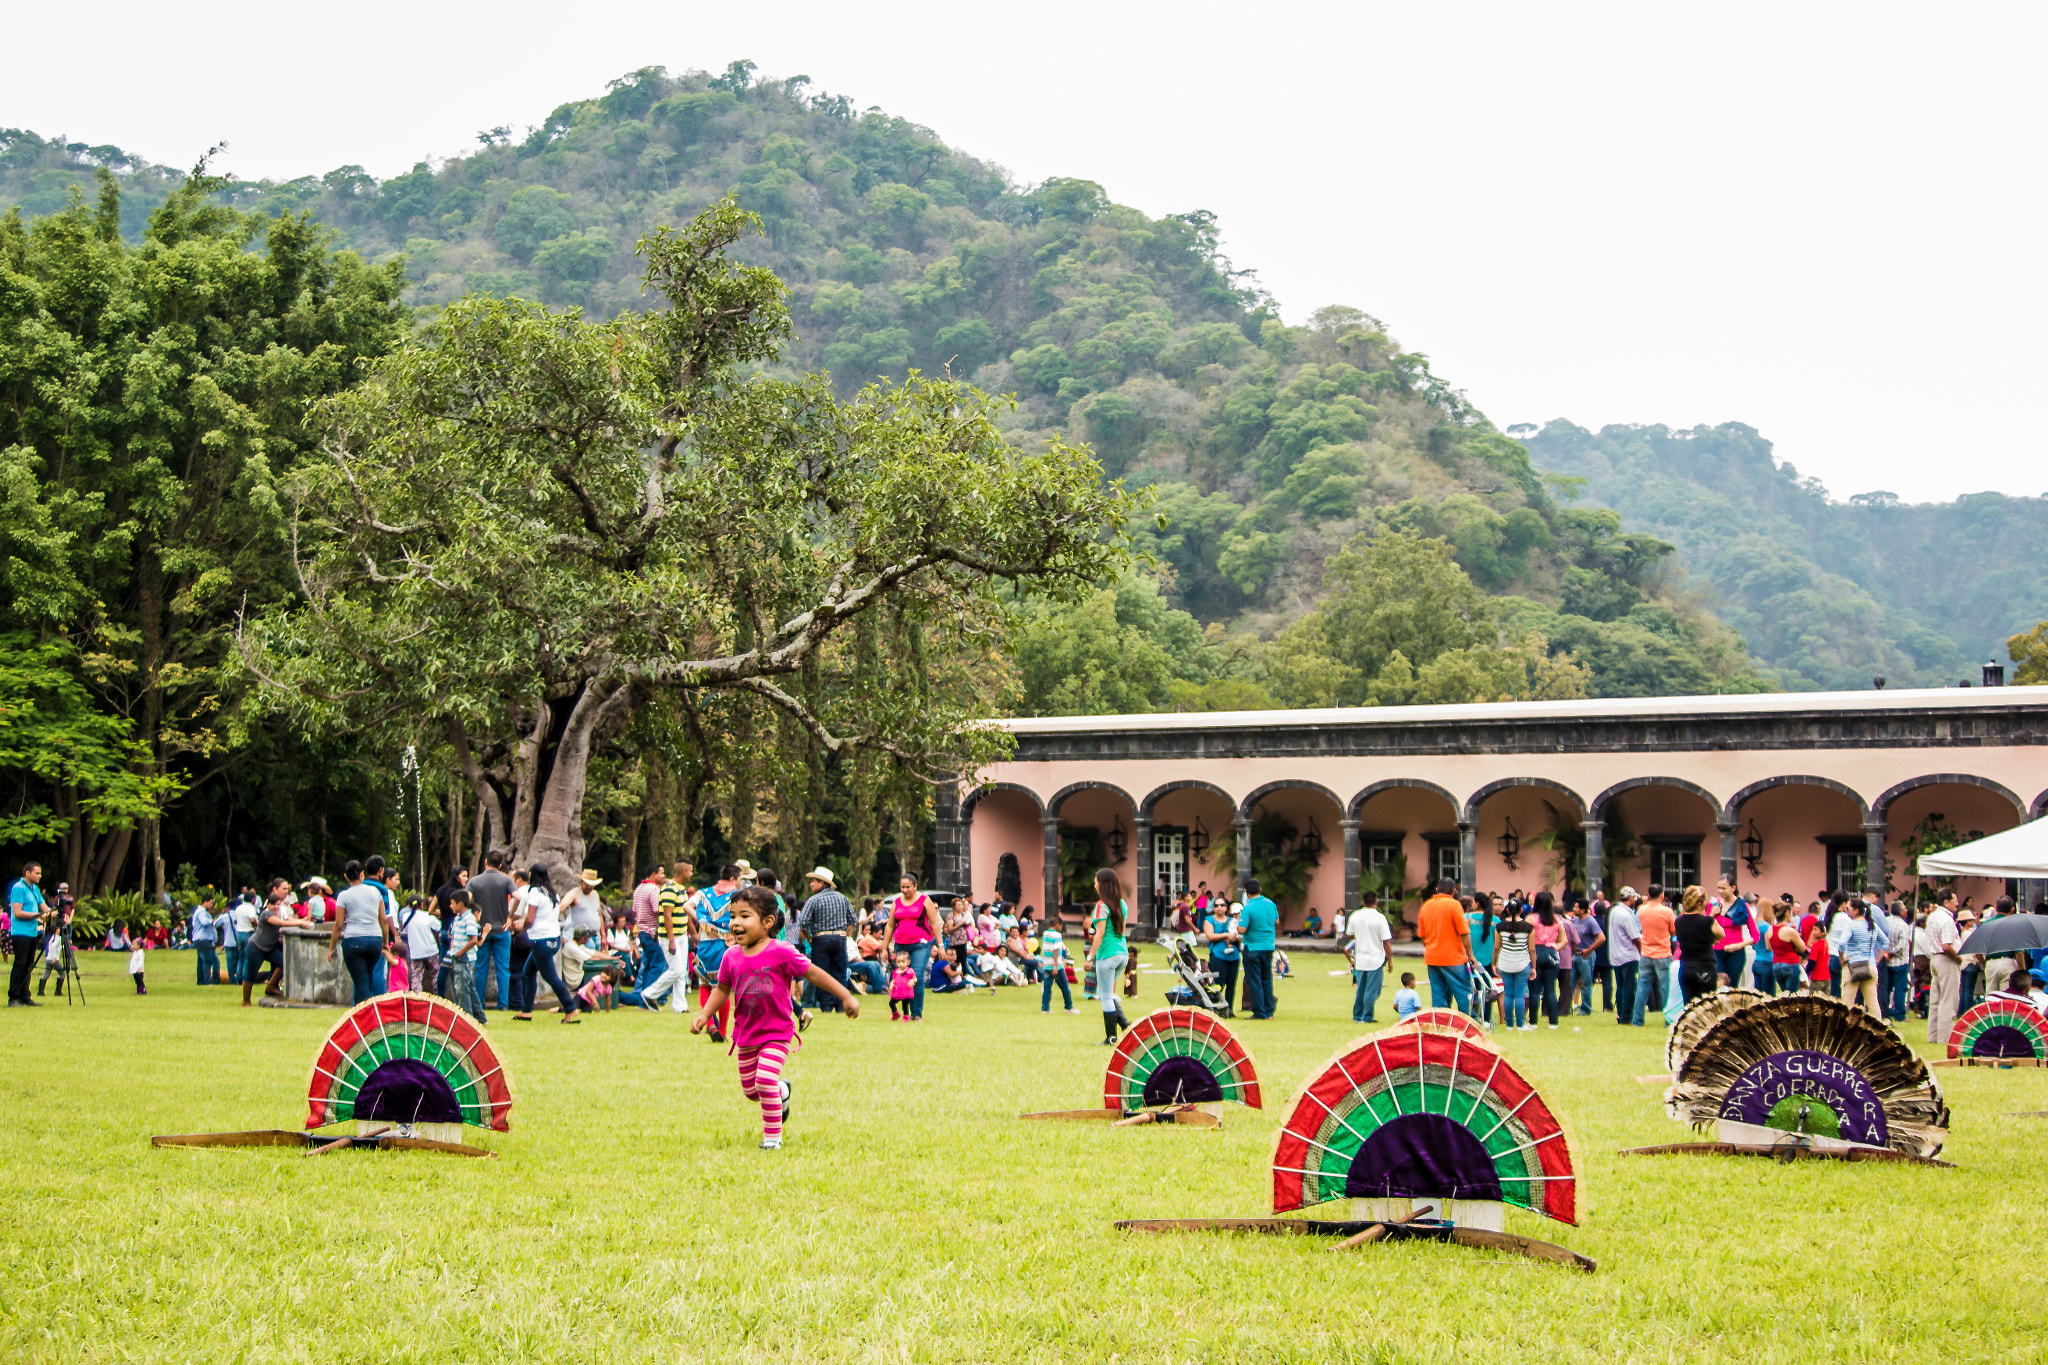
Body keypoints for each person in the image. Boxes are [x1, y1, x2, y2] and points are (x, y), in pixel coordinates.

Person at [691, 886, 860, 1150]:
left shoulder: (782, 951)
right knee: (752, 1091)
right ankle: (782, 1091)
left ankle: (772, 1138)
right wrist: (704, 1015)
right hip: (746, 1036)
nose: (735, 922)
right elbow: (722, 989)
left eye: (744, 916)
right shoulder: (731, 956)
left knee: (764, 1080)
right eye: (733, 916)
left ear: (768, 922)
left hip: (777, 1033)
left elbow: (814, 973)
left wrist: (846, 996)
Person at [512, 863, 580, 1023]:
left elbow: (530, 918)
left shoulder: (535, 892)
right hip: (554, 938)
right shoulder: (552, 893)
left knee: (550, 977)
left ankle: (570, 1009)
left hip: (540, 940)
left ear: (531, 875)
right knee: (528, 972)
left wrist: (521, 927)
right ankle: (526, 1011)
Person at [326, 861, 392, 1005]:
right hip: (374, 939)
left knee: (360, 981)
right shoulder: (375, 892)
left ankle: (364, 1015)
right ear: (362, 874)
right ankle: (367, 1010)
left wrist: (331, 948)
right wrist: (385, 942)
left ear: (346, 876)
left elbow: (338, 925)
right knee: (367, 977)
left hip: (354, 941)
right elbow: (383, 919)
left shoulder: (344, 896)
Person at [796, 867, 857, 1013]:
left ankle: (826, 1006)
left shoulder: (813, 900)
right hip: (840, 939)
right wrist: (845, 935)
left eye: (813, 881)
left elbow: (803, 922)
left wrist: (809, 938)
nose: (811, 884)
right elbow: (852, 920)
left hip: (821, 939)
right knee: (840, 972)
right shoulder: (843, 898)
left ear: (822, 883)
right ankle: (841, 1005)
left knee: (822, 973)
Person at [884, 873, 942, 1023]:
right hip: (901, 944)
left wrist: (940, 945)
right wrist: (884, 947)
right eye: (902, 887)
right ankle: (905, 1012)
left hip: (921, 944)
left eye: (907, 887)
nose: (904, 890)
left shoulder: (924, 900)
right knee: (900, 976)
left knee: (916, 975)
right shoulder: (896, 902)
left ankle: (917, 1014)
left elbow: (934, 923)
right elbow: (890, 926)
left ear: (915, 886)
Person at [693, 865, 742, 1038]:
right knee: (722, 987)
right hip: (724, 944)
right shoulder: (736, 896)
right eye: (740, 879)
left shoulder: (703, 893)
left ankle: (710, 1024)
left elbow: (687, 906)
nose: (741, 883)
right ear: (732, 879)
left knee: (704, 985)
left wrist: (701, 921)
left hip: (705, 944)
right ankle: (721, 1030)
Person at [1085, 869, 1131, 1044]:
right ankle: (1126, 1025)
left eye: (1096, 881)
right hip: (1122, 953)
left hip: (1107, 955)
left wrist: (1090, 957)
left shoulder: (1101, 906)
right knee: (1109, 994)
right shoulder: (1122, 904)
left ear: (1102, 884)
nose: (1094, 884)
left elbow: (1100, 933)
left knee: (1105, 996)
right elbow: (1122, 929)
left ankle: (1111, 1038)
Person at [467, 851, 515, 1018]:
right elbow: (518, 897)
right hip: (502, 929)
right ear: (500, 864)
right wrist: (510, 916)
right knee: (503, 968)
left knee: (480, 968)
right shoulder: (506, 880)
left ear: (485, 861)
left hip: (482, 930)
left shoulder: (474, 881)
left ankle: (480, 1003)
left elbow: (467, 899)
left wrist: (472, 919)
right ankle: (503, 1004)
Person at [1416, 877, 1474, 1015]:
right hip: (1453, 959)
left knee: (1438, 994)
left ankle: (1440, 1025)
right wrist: (1470, 955)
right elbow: (1464, 932)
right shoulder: (1454, 905)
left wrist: (1431, 948)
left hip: (1432, 958)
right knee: (1463, 993)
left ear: (1436, 889)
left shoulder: (1426, 906)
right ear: (1454, 891)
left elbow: (1422, 935)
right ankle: (1468, 1023)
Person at [1830, 894, 1887, 1018]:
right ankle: (1878, 1031)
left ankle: (1846, 1031)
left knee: (1847, 1003)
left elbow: (1842, 943)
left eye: (1849, 908)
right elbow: (1885, 942)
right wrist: (1877, 958)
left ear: (1856, 911)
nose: (1846, 910)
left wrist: (1842, 959)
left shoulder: (1851, 925)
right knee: (1873, 1003)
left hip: (1853, 966)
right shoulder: (1872, 925)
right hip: (1870, 965)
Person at [1341, 891, 1394, 1024]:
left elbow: (1348, 935)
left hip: (1361, 959)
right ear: (1376, 902)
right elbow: (1386, 941)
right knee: (1373, 990)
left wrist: (1361, 934)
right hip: (1376, 959)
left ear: (1363, 902)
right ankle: (1367, 1016)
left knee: (1361, 989)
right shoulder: (1380, 918)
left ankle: (1357, 1015)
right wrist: (1390, 961)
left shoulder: (1355, 916)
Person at [243, 879, 294, 1006]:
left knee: (284, 963)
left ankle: (270, 986)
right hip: (256, 947)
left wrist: (305, 919)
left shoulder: (281, 909)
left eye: (278, 904)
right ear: (268, 905)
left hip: (269, 947)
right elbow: (281, 923)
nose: (276, 907)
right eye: (273, 905)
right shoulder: (266, 914)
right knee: (251, 974)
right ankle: (246, 1001)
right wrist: (302, 923)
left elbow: (287, 919)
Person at [1237, 878, 1280, 1020]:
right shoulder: (1270, 903)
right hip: (1268, 946)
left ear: (1246, 892)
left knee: (1254, 980)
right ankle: (1269, 1011)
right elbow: (1276, 921)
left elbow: (1242, 929)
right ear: (1260, 889)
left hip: (1253, 947)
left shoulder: (1248, 908)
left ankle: (1259, 1012)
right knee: (1266, 979)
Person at [1633, 885, 1675, 1025]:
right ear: (1662, 895)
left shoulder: (1642, 910)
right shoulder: (1667, 911)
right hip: (1662, 953)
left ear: (1648, 894)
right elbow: (1673, 931)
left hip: (1646, 952)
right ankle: (1668, 1020)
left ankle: (1637, 1020)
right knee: (1665, 988)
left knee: (1642, 988)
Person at [1673, 885, 1719, 1003]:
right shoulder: (1707, 921)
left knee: (1688, 1006)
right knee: (1706, 1006)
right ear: (1700, 903)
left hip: (1686, 968)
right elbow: (1721, 934)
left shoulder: (1678, 921)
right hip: (1705, 968)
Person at [1495, 901, 1533, 1030]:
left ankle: (1509, 1024)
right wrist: (1533, 967)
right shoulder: (1528, 927)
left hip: (1505, 963)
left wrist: (1494, 963)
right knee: (1520, 995)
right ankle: (1521, 1024)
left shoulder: (1499, 927)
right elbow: (1532, 949)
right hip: (1522, 963)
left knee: (1508, 994)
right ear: (1521, 910)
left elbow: (1496, 947)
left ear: (1506, 910)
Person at [1528, 893, 1564, 1027]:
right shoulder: (1556, 919)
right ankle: (1553, 1021)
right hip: (1551, 954)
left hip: (1536, 952)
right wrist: (1555, 947)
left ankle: (1533, 1022)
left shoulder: (1531, 919)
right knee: (1550, 990)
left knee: (1534, 991)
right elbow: (1564, 940)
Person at [443, 890, 482, 1015]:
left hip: (465, 958)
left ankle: (466, 1017)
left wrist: (460, 952)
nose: (451, 906)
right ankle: (479, 1016)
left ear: (460, 904)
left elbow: (473, 940)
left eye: (452, 903)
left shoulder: (469, 919)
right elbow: (453, 936)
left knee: (462, 989)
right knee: (467, 986)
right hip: (456, 956)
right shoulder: (457, 918)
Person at [630, 862, 667, 991]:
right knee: (658, 964)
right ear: (653, 874)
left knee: (647, 964)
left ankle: (642, 994)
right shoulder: (654, 889)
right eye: (661, 873)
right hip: (652, 933)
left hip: (641, 931)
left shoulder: (639, 888)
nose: (663, 876)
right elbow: (658, 911)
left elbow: (635, 911)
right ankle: (649, 995)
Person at [1200, 896, 1240, 1015]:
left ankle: (1229, 1010)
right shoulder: (1209, 920)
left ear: (1226, 907)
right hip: (1218, 956)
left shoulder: (1231, 920)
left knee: (1231, 985)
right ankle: (1217, 1008)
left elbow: (1239, 933)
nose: (1219, 908)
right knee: (1218, 984)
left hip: (1234, 956)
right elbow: (1210, 936)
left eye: (1222, 905)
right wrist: (1225, 935)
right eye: (1216, 905)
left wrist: (1236, 938)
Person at [1606, 889, 1641, 1023]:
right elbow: (1635, 938)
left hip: (1616, 955)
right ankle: (1627, 1017)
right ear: (1631, 899)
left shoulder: (1614, 911)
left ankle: (1620, 1014)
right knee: (1629, 987)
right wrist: (1641, 952)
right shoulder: (1626, 915)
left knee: (1620, 986)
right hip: (1628, 955)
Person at [1566, 899, 1604, 1016]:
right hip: (1575, 956)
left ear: (1582, 910)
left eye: (1577, 907)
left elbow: (1601, 938)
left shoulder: (1591, 921)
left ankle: (1585, 1009)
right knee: (1570, 983)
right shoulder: (1575, 920)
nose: (1574, 909)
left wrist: (1589, 950)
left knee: (1586, 983)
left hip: (1585, 956)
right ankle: (1566, 1008)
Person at [1763, 901, 1807, 995]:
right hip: (1790, 963)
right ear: (1787, 913)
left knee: (1784, 994)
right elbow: (1802, 948)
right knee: (1791, 995)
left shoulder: (1770, 930)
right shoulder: (1789, 931)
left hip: (1776, 965)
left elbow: (1769, 947)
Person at [1039, 926, 1075, 1013]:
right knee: (1065, 987)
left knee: (1047, 988)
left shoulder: (1045, 934)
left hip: (1047, 965)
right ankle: (1068, 1007)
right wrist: (1055, 965)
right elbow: (1055, 950)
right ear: (1058, 925)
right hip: (1056, 966)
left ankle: (1045, 1008)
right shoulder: (1057, 935)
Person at [188, 894, 220, 988]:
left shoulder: (199, 911)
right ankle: (207, 982)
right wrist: (212, 921)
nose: (212, 905)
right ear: (205, 902)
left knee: (201, 961)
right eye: (211, 902)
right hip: (203, 939)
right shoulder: (202, 912)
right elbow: (204, 922)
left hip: (199, 939)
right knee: (207, 961)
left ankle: (201, 981)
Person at [889, 952, 917, 1020]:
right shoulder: (896, 971)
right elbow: (894, 979)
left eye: (903, 962)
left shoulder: (909, 971)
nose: (901, 964)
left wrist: (912, 981)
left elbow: (915, 978)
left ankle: (906, 1016)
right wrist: (891, 984)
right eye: (898, 962)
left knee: (905, 1005)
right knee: (891, 1003)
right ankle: (895, 1013)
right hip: (897, 991)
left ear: (908, 962)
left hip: (906, 991)